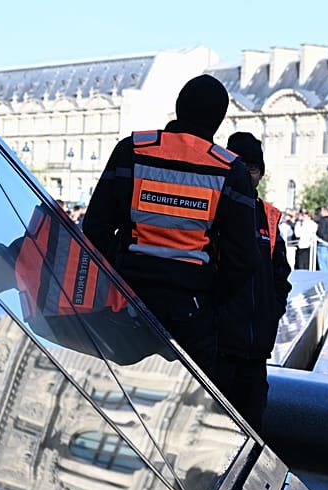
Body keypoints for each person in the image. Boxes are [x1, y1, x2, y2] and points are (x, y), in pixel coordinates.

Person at [82, 74, 259, 383]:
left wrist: (119, 272)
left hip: (126, 300)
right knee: (189, 404)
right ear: (219, 120)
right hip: (192, 311)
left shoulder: (132, 151)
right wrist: (210, 296)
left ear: (178, 108)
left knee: (114, 391)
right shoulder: (230, 170)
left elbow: (95, 228)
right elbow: (242, 258)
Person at [215, 132, 292, 431]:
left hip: (256, 348)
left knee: (253, 425)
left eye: (252, 167)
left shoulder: (269, 218)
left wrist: (271, 312)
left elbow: (280, 275)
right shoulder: (216, 210)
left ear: (261, 172)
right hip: (222, 344)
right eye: (239, 164)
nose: (246, 173)